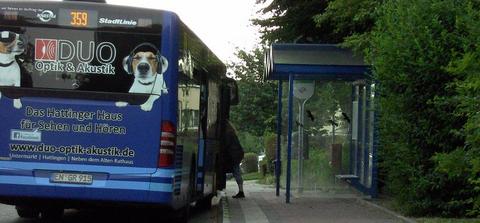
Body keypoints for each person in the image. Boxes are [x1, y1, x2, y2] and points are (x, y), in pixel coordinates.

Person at [225, 120, 245, 198]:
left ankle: (241, 191)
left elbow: (227, 145)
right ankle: (241, 191)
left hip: (234, 155)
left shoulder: (228, 134)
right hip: (237, 154)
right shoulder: (232, 133)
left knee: (236, 172)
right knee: (236, 171)